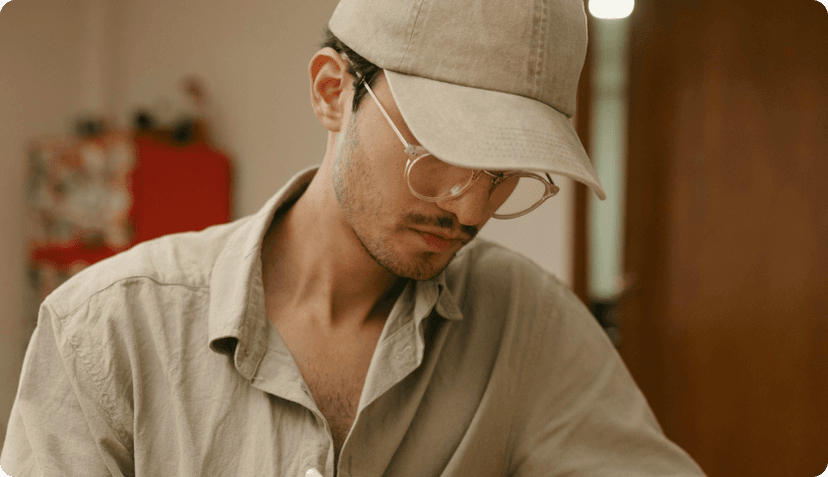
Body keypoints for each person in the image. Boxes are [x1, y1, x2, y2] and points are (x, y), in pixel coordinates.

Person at [1, 0, 708, 476]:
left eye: (506, 172)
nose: (469, 206)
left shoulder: (528, 322)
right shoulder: (106, 329)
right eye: (438, 145)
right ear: (333, 91)